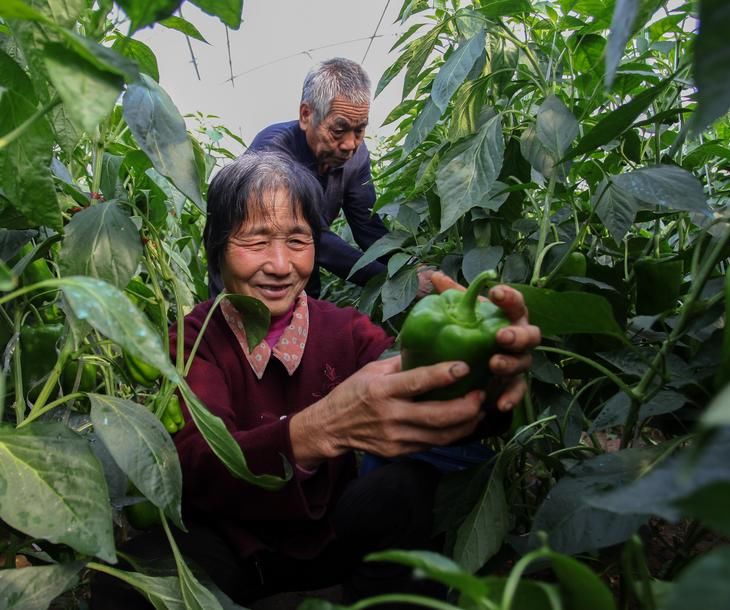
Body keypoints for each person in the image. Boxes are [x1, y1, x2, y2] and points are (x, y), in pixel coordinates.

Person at [93, 152, 540, 608]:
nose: (281, 264)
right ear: (217, 249)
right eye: (255, 241)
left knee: (404, 488)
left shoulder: (343, 330)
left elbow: (425, 398)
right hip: (231, 546)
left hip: (331, 539)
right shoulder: (195, 338)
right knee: (124, 584)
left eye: (298, 240)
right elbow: (194, 464)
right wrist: (317, 429)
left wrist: (489, 375)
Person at [215, 56, 432, 298]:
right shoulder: (272, 153)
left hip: (298, 272)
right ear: (306, 115)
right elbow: (316, 239)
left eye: (359, 130)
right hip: (248, 280)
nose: (350, 144)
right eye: (338, 130)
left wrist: (411, 267)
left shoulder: (356, 157)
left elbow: (368, 228)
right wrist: (393, 280)